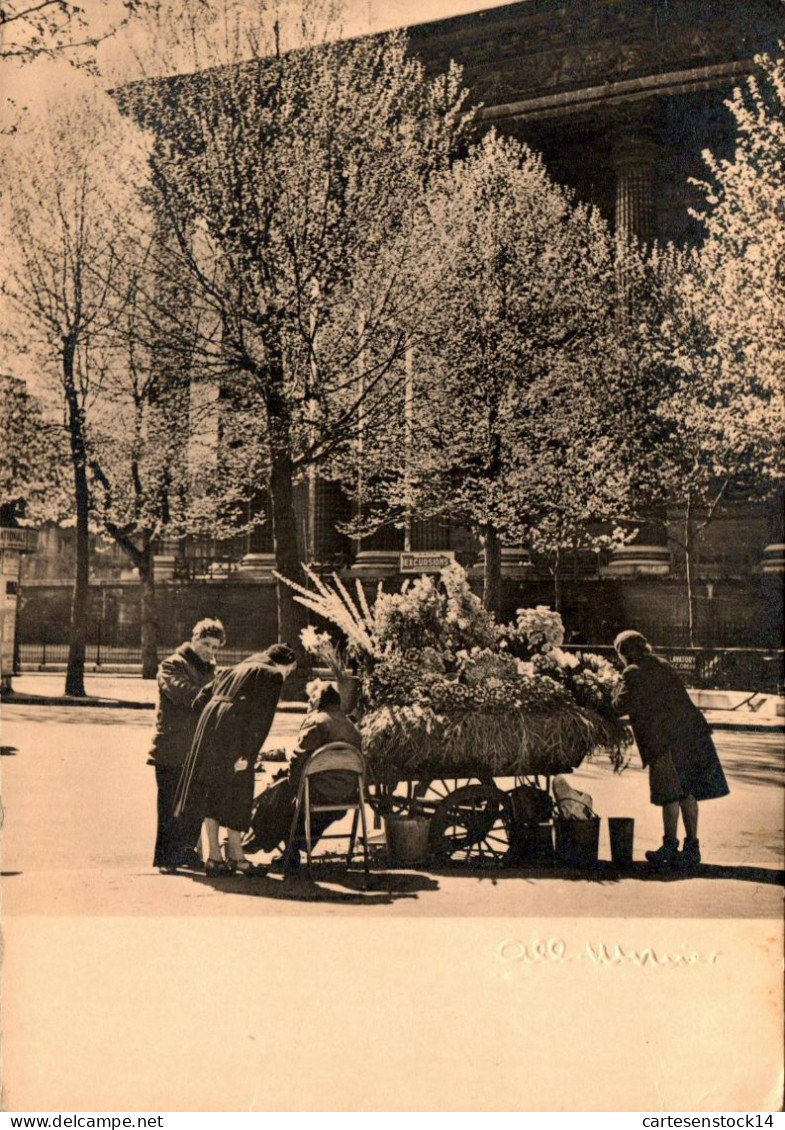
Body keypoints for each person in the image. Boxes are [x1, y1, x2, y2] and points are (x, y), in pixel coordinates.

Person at [174, 643, 297, 876]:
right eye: (290, 670)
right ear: (286, 663)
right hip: (234, 737)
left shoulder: (234, 669)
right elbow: (262, 720)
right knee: (239, 792)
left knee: (213, 791)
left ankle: (214, 856)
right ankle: (236, 856)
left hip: (210, 732)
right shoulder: (271, 675)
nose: (288, 675)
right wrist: (248, 756)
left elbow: (199, 700)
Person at [613, 630, 729, 868]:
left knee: (669, 793)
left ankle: (669, 845)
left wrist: (605, 694)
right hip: (692, 735)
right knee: (687, 792)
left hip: (665, 740)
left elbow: (618, 706)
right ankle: (691, 847)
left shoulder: (634, 671)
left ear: (624, 653)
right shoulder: (661, 665)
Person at [243, 680, 363, 872]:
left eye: (311, 699)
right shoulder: (351, 726)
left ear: (317, 701)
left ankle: (260, 840)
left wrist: (290, 783)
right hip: (348, 793)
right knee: (286, 796)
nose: (309, 703)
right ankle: (286, 848)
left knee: (280, 795)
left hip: (318, 793)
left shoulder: (316, 721)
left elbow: (298, 759)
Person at [149, 618, 225, 874]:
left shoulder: (210, 669)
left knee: (195, 804)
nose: (210, 651)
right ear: (194, 639)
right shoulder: (172, 664)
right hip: (172, 747)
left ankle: (185, 851)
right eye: (206, 644)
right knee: (170, 804)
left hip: (197, 750)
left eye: (215, 647)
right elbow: (184, 694)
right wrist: (219, 693)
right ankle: (166, 858)